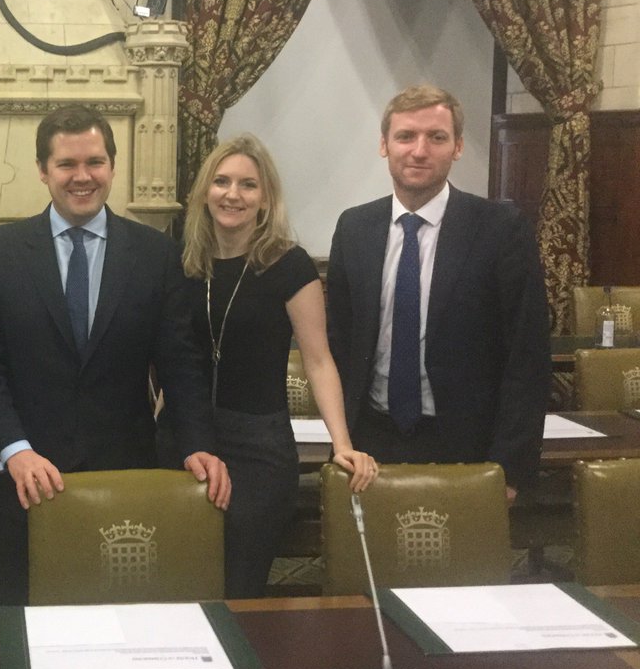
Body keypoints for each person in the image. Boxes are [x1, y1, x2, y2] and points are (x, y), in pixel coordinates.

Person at [0, 106, 231, 605]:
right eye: (66, 164)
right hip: (22, 476)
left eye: (95, 162)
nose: (82, 176)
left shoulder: (154, 254)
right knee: (20, 620)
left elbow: (180, 363)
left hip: (123, 474)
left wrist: (197, 442)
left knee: (119, 616)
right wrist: (15, 449)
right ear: (43, 170)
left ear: (112, 166)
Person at [326, 85, 551, 501]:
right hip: (369, 441)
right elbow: (338, 342)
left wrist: (509, 467)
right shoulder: (354, 228)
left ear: (458, 146)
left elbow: (527, 355)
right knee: (368, 546)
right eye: (405, 136)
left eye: (436, 137)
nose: (419, 150)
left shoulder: (500, 229)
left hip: (467, 446)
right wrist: (341, 439)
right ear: (384, 145)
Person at [177, 134, 377, 598]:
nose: (233, 194)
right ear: (204, 191)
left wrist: (342, 443)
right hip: (186, 439)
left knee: (239, 585)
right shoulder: (184, 262)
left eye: (248, 185)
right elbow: (174, 359)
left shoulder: (289, 265)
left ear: (265, 198)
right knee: (183, 582)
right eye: (221, 182)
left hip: (257, 446)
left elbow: (318, 360)